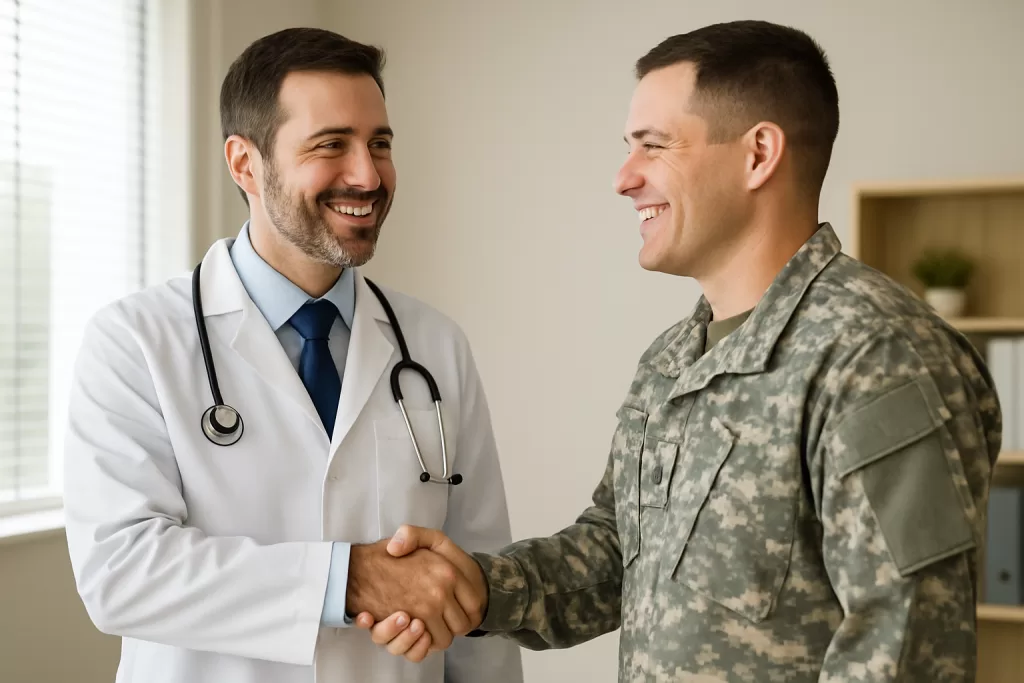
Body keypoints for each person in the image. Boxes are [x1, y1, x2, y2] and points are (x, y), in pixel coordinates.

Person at [357, 20, 1001, 681]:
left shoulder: (878, 356)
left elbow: (904, 651)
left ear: (758, 155)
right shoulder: (673, 358)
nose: (623, 177)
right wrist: (480, 587)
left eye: (653, 146)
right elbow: (617, 553)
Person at [62, 27, 523, 683]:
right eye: (331, 144)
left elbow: (477, 592)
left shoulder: (435, 345)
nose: (367, 174)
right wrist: (350, 577)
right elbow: (122, 571)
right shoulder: (135, 341)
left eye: (380, 144)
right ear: (245, 164)